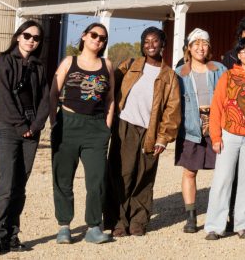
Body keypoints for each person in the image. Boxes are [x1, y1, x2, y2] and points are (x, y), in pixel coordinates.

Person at [105, 26, 181, 237]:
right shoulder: (129, 66)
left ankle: (138, 220)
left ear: (163, 44)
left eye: (155, 41)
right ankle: (118, 221)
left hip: (151, 132)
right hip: (125, 126)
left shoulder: (170, 76)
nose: (150, 45)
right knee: (122, 174)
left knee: (144, 176)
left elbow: (172, 110)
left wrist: (164, 138)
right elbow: (109, 90)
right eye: (146, 41)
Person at [0, 20, 51, 256]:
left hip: (32, 131)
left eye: (36, 38)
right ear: (17, 37)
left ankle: (12, 235)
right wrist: (21, 124)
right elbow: (2, 97)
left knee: (20, 185)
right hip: (9, 129)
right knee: (6, 184)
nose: (31, 40)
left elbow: (46, 99)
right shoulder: (4, 62)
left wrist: (36, 125)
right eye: (27, 35)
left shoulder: (39, 66)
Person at [49, 22, 116, 244]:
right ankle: (64, 226)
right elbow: (53, 92)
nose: (98, 40)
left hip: (96, 128)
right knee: (63, 178)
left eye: (103, 38)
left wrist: (107, 126)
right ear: (84, 36)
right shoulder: (70, 61)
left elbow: (110, 98)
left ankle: (94, 227)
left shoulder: (107, 65)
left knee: (96, 180)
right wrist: (53, 122)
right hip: (68, 124)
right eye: (94, 35)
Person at [203, 37, 245, 240]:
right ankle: (215, 226)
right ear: (238, 55)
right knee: (222, 180)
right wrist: (215, 136)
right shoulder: (228, 76)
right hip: (229, 134)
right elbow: (217, 107)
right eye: (244, 51)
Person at [175, 28, 227, 234]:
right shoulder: (179, 73)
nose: (200, 48)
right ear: (189, 48)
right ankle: (190, 216)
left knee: (223, 173)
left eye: (204, 44)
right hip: (190, 127)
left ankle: (222, 213)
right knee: (189, 171)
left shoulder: (220, 69)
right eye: (196, 44)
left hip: (217, 126)